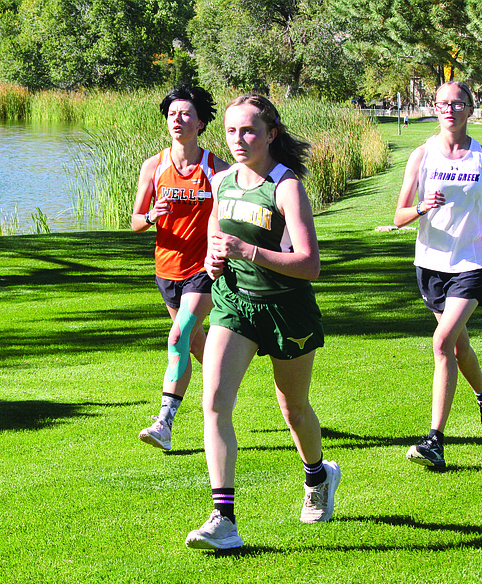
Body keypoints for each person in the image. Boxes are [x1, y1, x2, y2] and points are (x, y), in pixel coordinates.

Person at [185, 94, 340, 550]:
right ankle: (223, 518)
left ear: (271, 133)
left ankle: (318, 475)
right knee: (213, 401)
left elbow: (310, 264)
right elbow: (217, 235)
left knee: (292, 407)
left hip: (286, 309)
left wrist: (250, 251)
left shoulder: (285, 186)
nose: (239, 139)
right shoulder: (223, 179)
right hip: (234, 303)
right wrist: (215, 258)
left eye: (249, 130)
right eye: (232, 131)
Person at [394, 81, 482, 469]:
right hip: (431, 264)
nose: (449, 109)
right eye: (442, 103)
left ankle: (434, 439)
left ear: (470, 110)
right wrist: (422, 207)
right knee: (457, 346)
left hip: (473, 263)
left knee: (441, 343)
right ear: (435, 109)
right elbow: (399, 216)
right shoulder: (421, 156)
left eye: (457, 104)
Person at [131, 85, 228, 451]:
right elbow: (135, 221)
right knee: (193, 343)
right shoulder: (153, 166)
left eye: (186, 114)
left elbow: (232, 210)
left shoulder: (215, 167)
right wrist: (150, 216)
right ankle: (225, 390)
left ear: (201, 122)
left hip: (202, 271)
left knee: (177, 337)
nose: (178, 120)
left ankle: (164, 424)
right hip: (165, 269)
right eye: (172, 114)